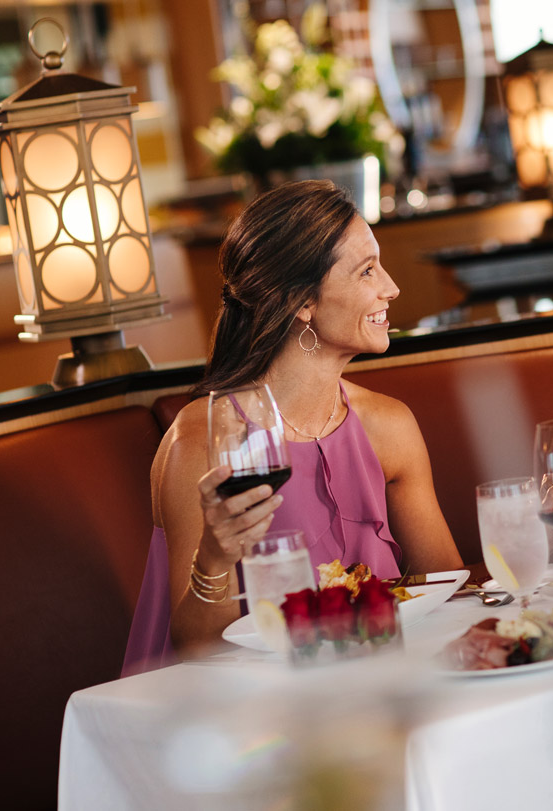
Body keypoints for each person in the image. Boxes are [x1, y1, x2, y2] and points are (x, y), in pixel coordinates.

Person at [123, 181, 462, 675]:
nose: (390, 287)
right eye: (367, 271)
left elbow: (446, 591)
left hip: (367, 688)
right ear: (302, 303)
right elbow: (198, 650)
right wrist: (215, 558)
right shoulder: (203, 442)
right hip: (227, 713)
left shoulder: (389, 426)